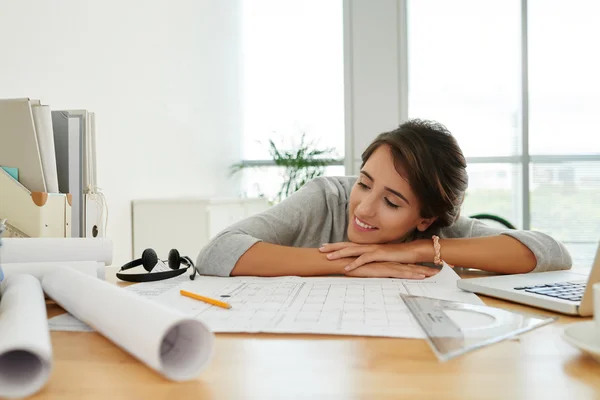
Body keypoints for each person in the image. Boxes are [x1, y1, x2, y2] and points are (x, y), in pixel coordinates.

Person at [197, 119, 572, 278]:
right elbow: (217, 252)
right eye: (364, 183)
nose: (363, 207)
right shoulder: (327, 197)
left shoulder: (437, 230)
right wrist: (351, 264)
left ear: (424, 218)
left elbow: (552, 252)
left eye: (392, 203)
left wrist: (418, 251)